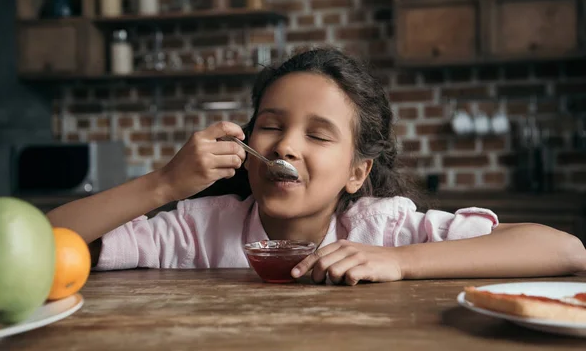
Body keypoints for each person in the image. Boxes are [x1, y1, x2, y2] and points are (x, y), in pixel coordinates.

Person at [47, 47, 586, 285]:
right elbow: (45, 242)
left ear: (357, 172)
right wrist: (164, 183)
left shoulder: (386, 228)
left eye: (319, 135)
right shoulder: (197, 228)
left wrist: (402, 262)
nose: (286, 147)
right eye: (271, 125)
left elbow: (565, 250)